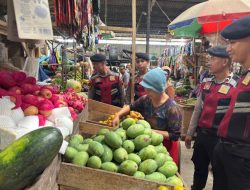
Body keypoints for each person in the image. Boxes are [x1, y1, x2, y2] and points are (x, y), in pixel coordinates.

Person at [184, 46, 239, 190]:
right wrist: (190, 133)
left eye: (213, 59)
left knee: (219, 174)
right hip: (202, 136)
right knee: (199, 168)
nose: (209, 62)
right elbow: (197, 109)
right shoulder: (206, 83)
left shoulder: (236, 85)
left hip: (220, 140)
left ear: (224, 62)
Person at [113, 67, 182, 165]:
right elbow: (131, 107)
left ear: (159, 89)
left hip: (164, 148)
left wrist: (150, 131)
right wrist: (118, 115)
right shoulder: (146, 99)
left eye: (149, 90)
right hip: (146, 142)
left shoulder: (172, 109)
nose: (146, 92)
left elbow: (174, 135)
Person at [212, 16, 250, 190]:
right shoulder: (244, 77)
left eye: (233, 42)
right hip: (227, 151)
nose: (228, 49)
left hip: (242, 157)